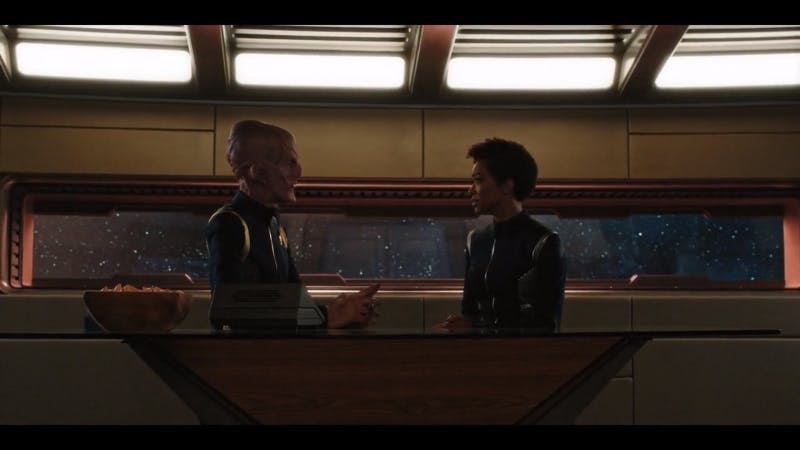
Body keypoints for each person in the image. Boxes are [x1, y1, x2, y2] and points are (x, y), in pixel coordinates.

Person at [206, 119, 378, 329]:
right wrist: (328, 317)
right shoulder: (230, 223)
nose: (298, 172)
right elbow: (228, 310)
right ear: (258, 172)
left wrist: (334, 312)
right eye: (290, 163)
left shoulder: (273, 225)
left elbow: (291, 298)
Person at [436, 138, 565, 333]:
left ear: (507, 186)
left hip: (523, 350)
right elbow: (469, 311)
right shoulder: (476, 241)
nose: (470, 189)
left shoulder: (542, 242)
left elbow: (543, 324)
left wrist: (476, 329)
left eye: (479, 180)